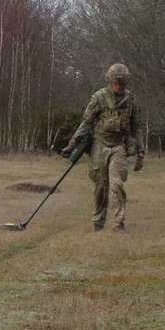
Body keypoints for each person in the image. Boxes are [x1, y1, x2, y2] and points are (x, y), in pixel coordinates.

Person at [62, 63, 145, 232]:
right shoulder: (99, 97)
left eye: (122, 84)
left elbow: (137, 127)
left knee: (116, 184)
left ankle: (118, 223)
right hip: (99, 144)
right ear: (110, 81)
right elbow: (87, 122)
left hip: (119, 145)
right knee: (101, 185)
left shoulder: (131, 100)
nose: (119, 86)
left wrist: (140, 151)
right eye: (116, 83)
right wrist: (72, 144)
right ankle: (98, 223)